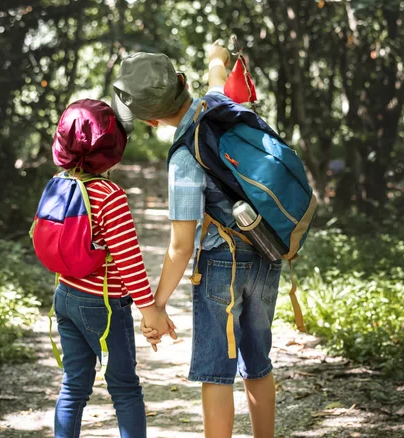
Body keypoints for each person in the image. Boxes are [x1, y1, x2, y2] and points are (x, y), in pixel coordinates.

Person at [111, 45, 280, 438]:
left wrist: (157, 303)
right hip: (268, 252)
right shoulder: (218, 103)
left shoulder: (184, 157)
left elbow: (181, 247)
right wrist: (216, 56)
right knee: (258, 362)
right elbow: (218, 76)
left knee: (216, 373)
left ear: (151, 121)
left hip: (222, 265)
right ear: (184, 81)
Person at [50, 99, 174, 438]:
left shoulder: (59, 185)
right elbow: (130, 261)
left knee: (74, 387)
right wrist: (150, 311)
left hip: (64, 296)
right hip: (103, 305)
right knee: (125, 389)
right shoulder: (109, 195)